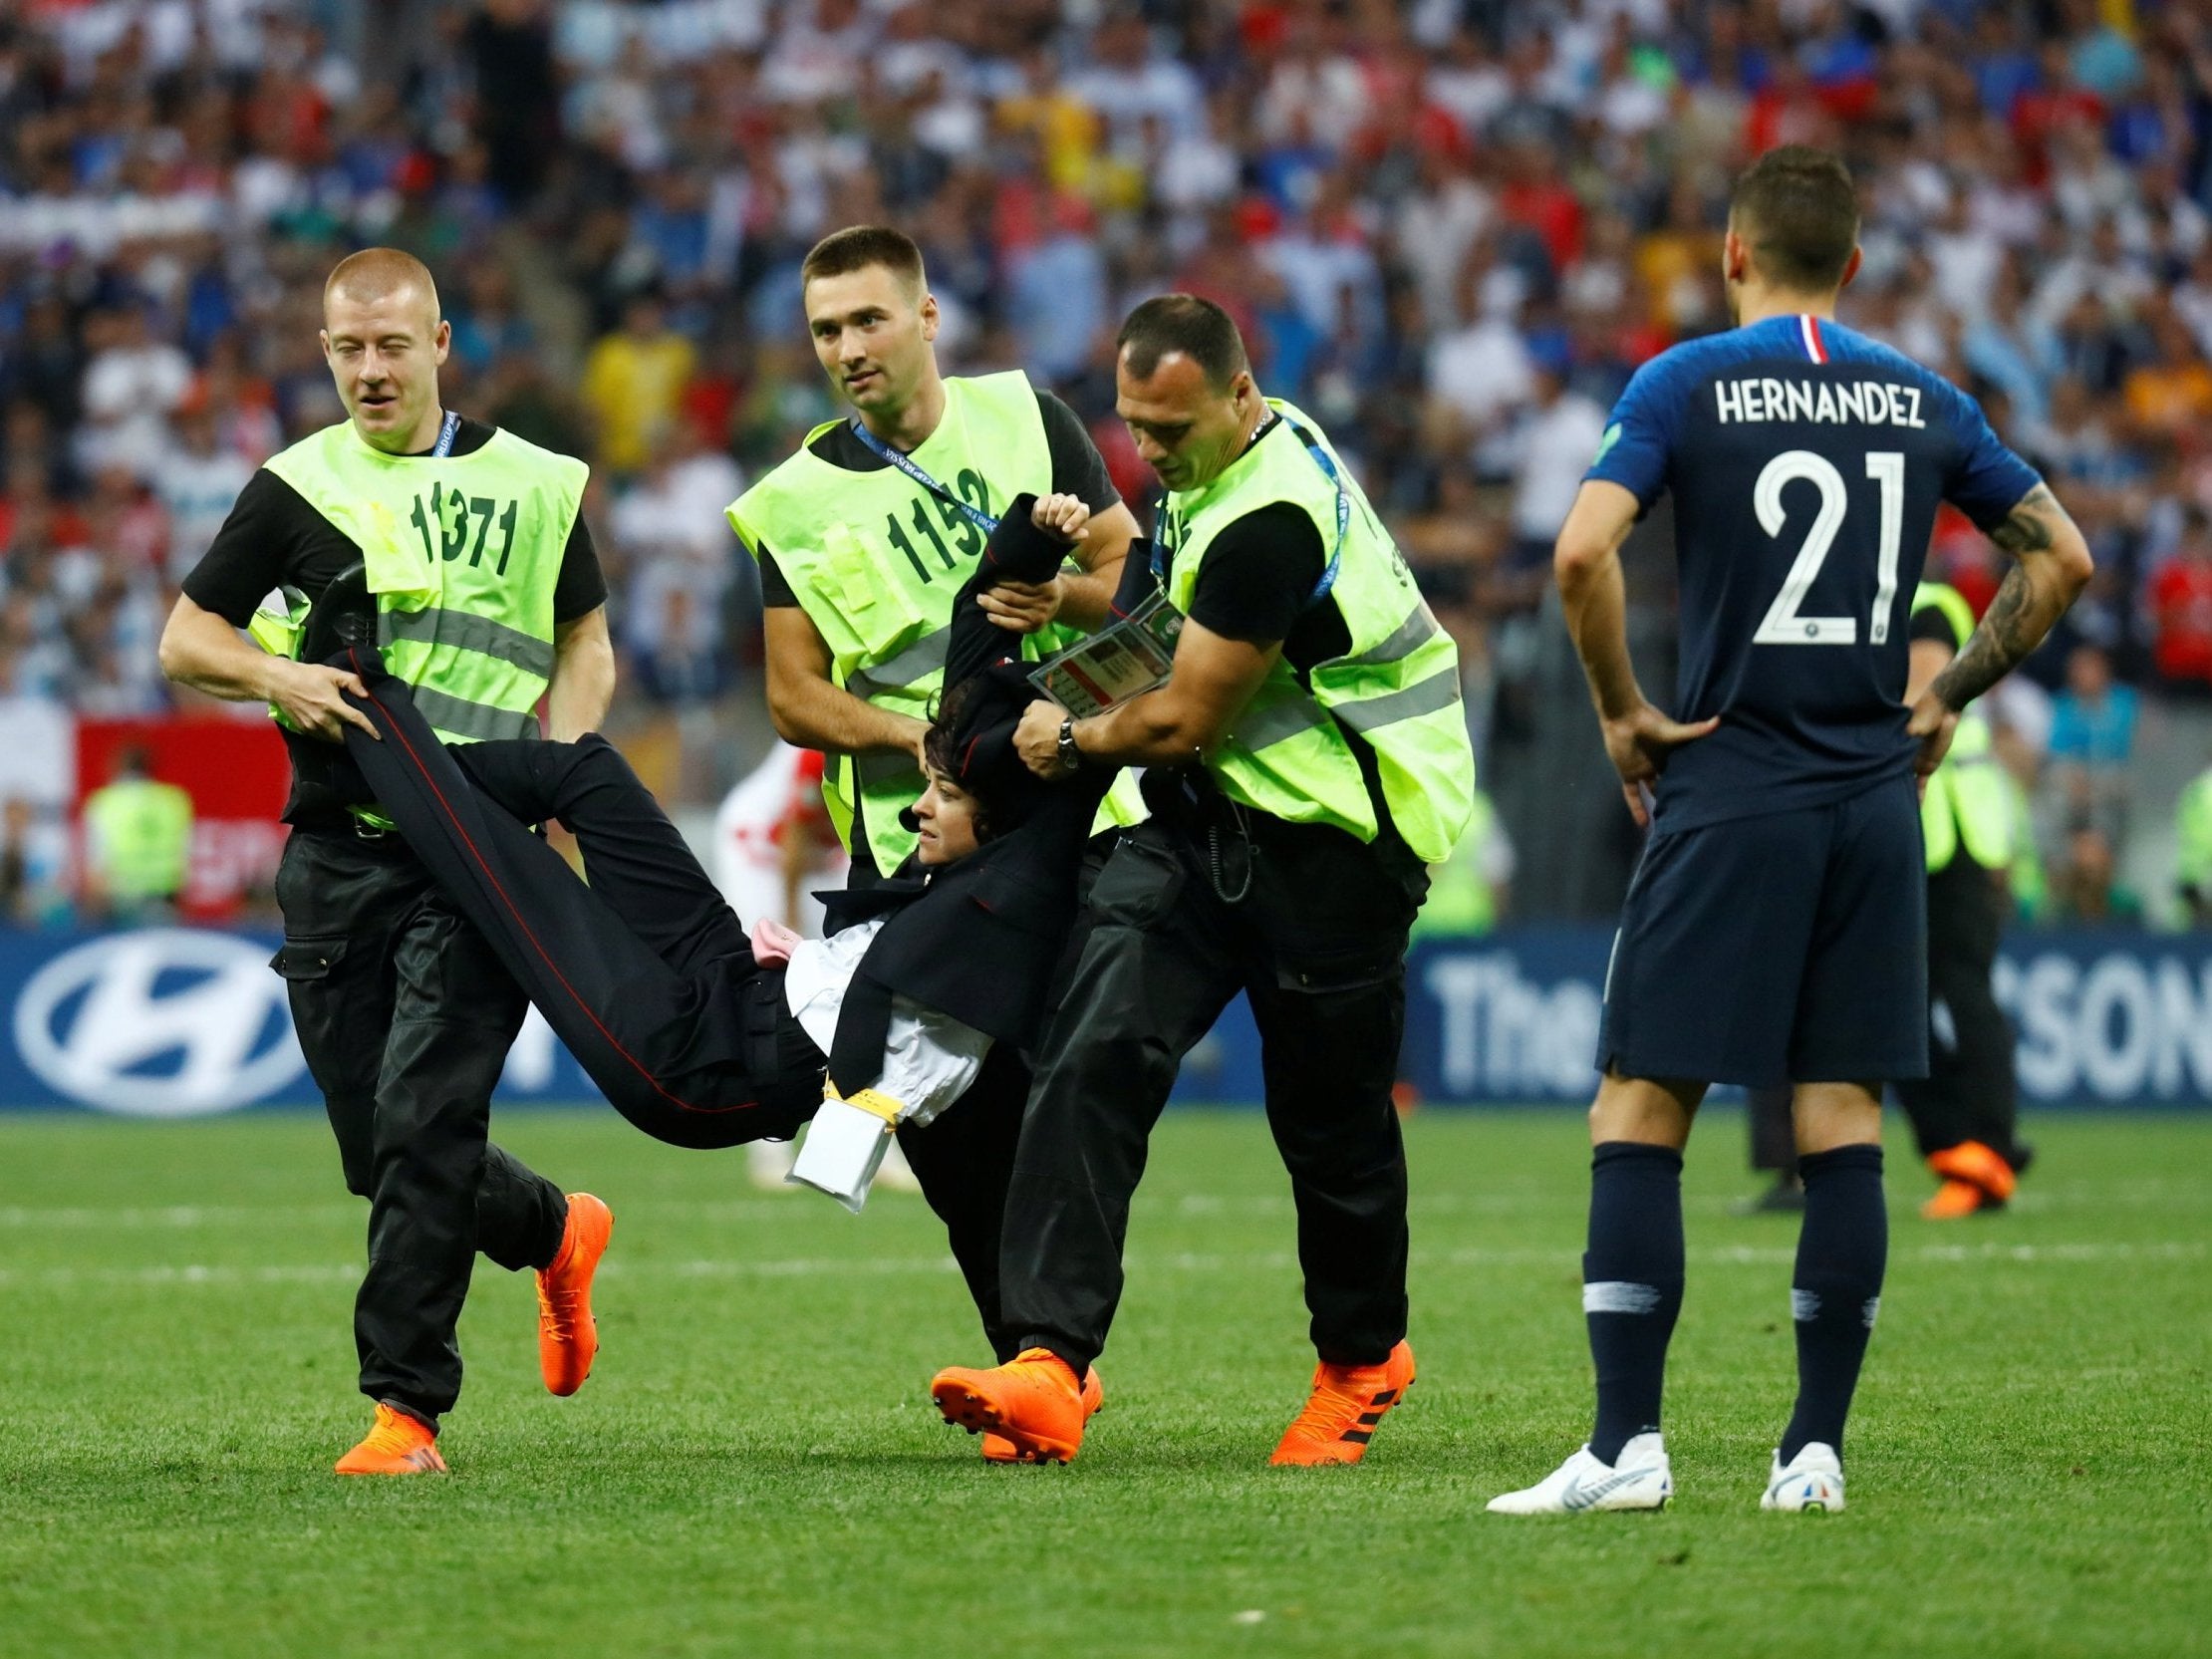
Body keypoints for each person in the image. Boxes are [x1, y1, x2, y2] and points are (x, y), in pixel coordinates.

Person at [1485, 146, 2091, 1519]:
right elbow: (2061, 555)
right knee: (1843, 1122)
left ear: (1734, 255)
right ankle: (1810, 1453)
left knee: (1641, 1103)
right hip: (1871, 803)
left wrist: (1625, 713)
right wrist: (1949, 690)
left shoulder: (1686, 381)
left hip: (1730, 786)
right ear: (1856, 266)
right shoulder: (1924, 396)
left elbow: (1583, 554)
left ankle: (1627, 1445)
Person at [328, 492, 1124, 1460]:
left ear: (1010, 822)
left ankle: (359, 692)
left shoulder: (1036, 876)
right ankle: (367, 784)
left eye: (945, 797)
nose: (917, 810)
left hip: (696, 1066)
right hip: (741, 984)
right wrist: (1033, 540)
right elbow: (980, 638)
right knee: (585, 776)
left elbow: (1000, 1185)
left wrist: (1081, 736)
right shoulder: (986, 813)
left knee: (508, 874)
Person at [925, 295, 1477, 1468]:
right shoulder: (1222, 470)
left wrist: (1061, 744)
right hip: (1202, 823)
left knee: (1329, 1131)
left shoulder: (1271, 521)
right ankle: (1049, 1365)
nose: (1150, 454)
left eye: (1170, 430)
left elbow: (1182, 713)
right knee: (1090, 1053)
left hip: (1342, 837)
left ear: (1239, 394)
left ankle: (1363, 1361)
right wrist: (1066, 608)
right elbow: (1160, 632)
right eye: (1134, 427)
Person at [156, 248, 620, 1479]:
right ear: (326, 353)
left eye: (392, 346)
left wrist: (559, 773)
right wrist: (276, 674)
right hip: (339, 855)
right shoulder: (293, 487)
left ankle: (405, 1415)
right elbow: (185, 637)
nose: (370, 369)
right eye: (348, 349)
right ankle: (552, 1228)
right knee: (379, 1148)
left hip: (478, 852)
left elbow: (586, 641)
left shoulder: (537, 484)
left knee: (424, 1124)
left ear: (440, 345)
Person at [727, 223, 1143, 888]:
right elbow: (792, 695)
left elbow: (1131, 583)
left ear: (928, 316)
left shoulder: (1027, 418)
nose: (849, 351)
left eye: (869, 320)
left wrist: (1062, 598)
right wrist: (908, 735)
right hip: (912, 836)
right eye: (827, 331)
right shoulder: (792, 501)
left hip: (1073, 806)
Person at [709, 739, 920, 1195]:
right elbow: (795, 840)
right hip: (762, 848)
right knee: (772, 988)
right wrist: (792, 936)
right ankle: (767, 1146)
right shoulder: (819, 750)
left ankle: (873, 1143)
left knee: (859, 987)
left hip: (824, 850)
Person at [1899, 581, 2034, 1219]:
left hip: (1951, 834)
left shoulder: (1928, 603)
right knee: (1896, 1006)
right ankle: (1968, 1143)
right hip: (1915, 833)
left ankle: (1985, 1149)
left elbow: (1921, 692)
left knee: (1963, 994)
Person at [80, 744, 193, 924]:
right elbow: (187, 853)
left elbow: (97, 864)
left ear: (118, 766)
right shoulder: (174, 800)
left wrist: (91, 914)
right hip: (166, 899)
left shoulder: (106, 802)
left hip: (120, 901)